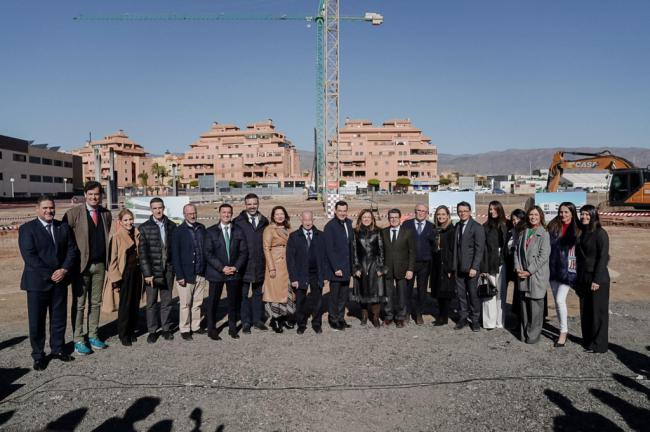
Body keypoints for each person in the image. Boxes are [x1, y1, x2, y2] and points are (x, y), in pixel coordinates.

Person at [19, 195, 78, 370]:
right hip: (37, 283)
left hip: (60, 281)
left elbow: (72, 250)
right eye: (45, 208)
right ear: (37, 209)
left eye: (51, 207)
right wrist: (51, 274)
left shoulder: (63, 227)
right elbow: (30, 257)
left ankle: (58, 349)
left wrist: (64, 270)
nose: (49, 211)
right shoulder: (27, 229)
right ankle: (38, 355)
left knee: (58, 318)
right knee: (37, 321)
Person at [63, 181, 112, 355]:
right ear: (85, 195)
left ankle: (92, 334)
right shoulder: (73, 214)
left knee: (96, 302)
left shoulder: (106, 214)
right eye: (90, 194)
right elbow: (64, 241)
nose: (94, 197)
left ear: (101, 196)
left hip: (99, 265)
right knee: (79, 304)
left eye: (97, 194)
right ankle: (78, 338)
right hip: (80, 267)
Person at [205, 203, 248, 340]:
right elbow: (208, 253)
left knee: (233, 302)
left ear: (232, 214)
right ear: (219, 213)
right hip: (216, 273)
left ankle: (232, 328)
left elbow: (243, 252)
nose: (226, 215)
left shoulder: (238, 231)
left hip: (234, 273)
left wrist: (235, 267)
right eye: (223, 212)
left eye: (229, 212)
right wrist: (222, 268)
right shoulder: (211, 231)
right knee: (213, 302)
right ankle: (212, 329)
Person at [138, 197, 177, 343]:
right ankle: (152, 330)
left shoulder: (172, 226)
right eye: (155, 208)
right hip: (152, 272)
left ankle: (166, 328)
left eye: (160, 207)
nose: (158, 210)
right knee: (152, 302)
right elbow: (143, 254)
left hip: (168, 270)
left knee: (167, 301)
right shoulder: (144, 228)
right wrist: (147, 274)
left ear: (164, 208)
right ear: (151, 210)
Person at [103, 209, 142, 346]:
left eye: (130, 219)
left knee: (134, 303)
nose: (128, 222)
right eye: (125, 220)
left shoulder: (137, 233)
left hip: (137, 273)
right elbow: (112, 260)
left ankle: (132, 330)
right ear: (120, 222)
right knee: (125, 305)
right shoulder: (117, 236)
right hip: (124, 274)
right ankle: (123, 333)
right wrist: (116, 279)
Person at [514, 206, 551, 344]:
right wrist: (518, 268)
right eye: (530, 215)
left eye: (536, 215)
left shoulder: (544, 234)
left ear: (540, 216)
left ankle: (533, 335)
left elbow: (543, 256)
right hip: (522, 274)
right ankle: (524, 333)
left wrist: (529, 271)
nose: (533, 217)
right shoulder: (524, 231)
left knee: (536, 307)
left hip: (535, 275)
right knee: (524, 306)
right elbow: (517, 252)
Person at [576, 205, 610, 353]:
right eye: (582, 214)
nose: (584, 217)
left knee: (598, 312)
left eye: (587, 214)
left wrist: (596, 280)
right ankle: (588, 341)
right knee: (586, 311)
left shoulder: (601, 233)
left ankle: (599, 344)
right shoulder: (582, 232)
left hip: (598, 278)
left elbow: (603, 258)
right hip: (584, 277)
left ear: (593, 215)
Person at [233, 193, 269, 333]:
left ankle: (257, 320)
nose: (252, 206)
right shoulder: (238, 221)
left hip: (259, 264)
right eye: (249, 204)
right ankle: (246, 322)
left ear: (258, 203)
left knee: (258, 295)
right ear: (245, 205)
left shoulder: (264, 221)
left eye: (254, 203)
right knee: (243, 296)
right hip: (243, 266)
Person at [171, 204, 207, 341]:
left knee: (197, 303)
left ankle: (196, 326)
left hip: (200, 273)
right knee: (185, 304)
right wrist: (179, 275)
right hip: (185, 275)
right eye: (189, 213)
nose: (192, 215)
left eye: (194, 213)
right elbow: (175, 255)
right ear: (184, 214)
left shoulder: (201, 228)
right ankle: (185, 328)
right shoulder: (178, 231)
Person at [547, 202, 581, 347]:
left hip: (568, 271)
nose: (563, 215)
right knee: (556, 301)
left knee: (560, 300)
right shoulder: (553, 227)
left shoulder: (578, 230)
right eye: (561, 212)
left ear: (572, 213)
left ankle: (563, 332)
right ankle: (562, 327)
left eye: (566, 212)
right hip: (553, 270)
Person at [287, 211, 324, 334]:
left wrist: (324, 275)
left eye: (310, 220)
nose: (308, 222)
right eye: (305, 220)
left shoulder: (320, 235)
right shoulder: (294, 236)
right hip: (300, 274)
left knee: (317, 300)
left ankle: (317, 323)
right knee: (300, 301)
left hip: (316, 273)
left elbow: (325, 257)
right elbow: (290, 259)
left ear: (313, 220)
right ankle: (301, 324)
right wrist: (293, 278)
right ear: (301, 220)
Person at [452, 201, 485, 331]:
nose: (462, 213)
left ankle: (475, 319)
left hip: (471, 268)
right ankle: (463, 318)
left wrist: (474, 267)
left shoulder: (477, 227)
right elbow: (456, 247)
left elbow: (479, 249)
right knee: (460, 295)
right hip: (459, 267)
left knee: (473, 295)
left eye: (465, 211)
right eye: (460, 211)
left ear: (470, 212)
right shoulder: (458, 226)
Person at [350, 209, 386, 328]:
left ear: (372, 219)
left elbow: (381, 251)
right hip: (361, 265)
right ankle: (364, 317)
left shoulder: (378, 231)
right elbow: (354, 251)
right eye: (364, 217)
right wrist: (356, 267)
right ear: (360, 219)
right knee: (362, 292)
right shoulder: (355, 232)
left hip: (374, 265)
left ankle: (375, 318)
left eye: (368, 217)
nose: (366, 219)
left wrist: (381, 267)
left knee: (376, 293)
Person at [323, 200, 355, 331]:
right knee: (334, 296)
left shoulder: (349, 223)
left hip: (347, 267)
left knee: (344, 296)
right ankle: (333, 319)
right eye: (340, 211)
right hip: (336, 268)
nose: (342, 213)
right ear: (335, 211)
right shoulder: (330, 226)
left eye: (344, 211)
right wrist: (336, 268)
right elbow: (329, 250)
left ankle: (341, 318)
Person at [262, 206, 295, 333]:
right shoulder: (269, 229)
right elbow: (266, 248)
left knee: (287, 291)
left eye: (282, 214)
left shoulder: (288, 229)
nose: (280, 216)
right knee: (276, 293)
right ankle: (275, 319)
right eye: (277, 214)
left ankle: (285, 317)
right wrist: (271, 268)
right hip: (276, 264)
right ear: (273, 216)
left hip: (288, 264)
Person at [382, 208, 416, 328]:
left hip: (403, 269)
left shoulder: (407, 232)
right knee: (388, 295)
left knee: (402, 295)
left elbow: (412, 252)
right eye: (391, 217)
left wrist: (410, 269)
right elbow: (381, 252)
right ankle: (388, 316)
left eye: (396, 217)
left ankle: (400, 317)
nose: (394, 219)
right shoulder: (384, 232)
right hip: (387, 269)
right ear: (388, 218)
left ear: (400, 218)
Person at [402, 203, 435, 325]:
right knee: (408, 289)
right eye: (418, 210)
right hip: (409, 264)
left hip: (425, 264)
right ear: (414, 211)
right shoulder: (407, 224)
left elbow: (434, 246)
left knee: (422, 290)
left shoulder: (432, 227)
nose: (421, 213)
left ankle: (419, 313)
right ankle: (407, 312)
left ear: (427, 213)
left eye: (423, 211)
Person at [480, 201, 508, 330]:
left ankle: (499, 321)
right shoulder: (485, 227)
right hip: (489, 262)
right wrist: (483, 268)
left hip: (503, 263)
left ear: (499, 209)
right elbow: (482, 249)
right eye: (490, 209)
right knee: (489, 293)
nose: (492, 211)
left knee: (501, 294)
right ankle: (489, 322)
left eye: (494, 209)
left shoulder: (506, 225)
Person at [430, 205, 456, 326]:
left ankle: (444, 316)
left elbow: (453, 250)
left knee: (446, 292)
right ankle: (440, 315)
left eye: (443, 214)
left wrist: (451, 267)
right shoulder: (435, 229)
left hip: (446, 265)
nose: (441, 216)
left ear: (448, 216)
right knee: (438, 291)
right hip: (436, 264)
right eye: (439, 214)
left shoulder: (452, 230)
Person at [505, 208, 526, 326]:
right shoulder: (511, 231)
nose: (515, 221)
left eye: (518, 219)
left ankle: (522, 320)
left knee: (520, 293)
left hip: (521, 267)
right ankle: (517, 319)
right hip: (510, 265)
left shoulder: (525, 231)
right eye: (513, 219)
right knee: (515, 294)